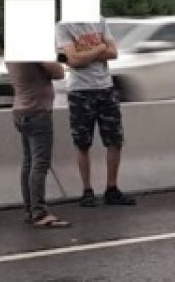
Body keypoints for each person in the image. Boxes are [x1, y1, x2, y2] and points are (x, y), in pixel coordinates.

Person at [58, 17, 137, 207]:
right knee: (83, 142)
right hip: (80, 90)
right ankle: (87, 190)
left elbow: (113, 52)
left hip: (105, 87)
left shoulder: (99, 21)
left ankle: (112, 188)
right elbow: (74, 60)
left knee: (114, 139)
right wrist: (99, 49)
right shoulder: (64, 26)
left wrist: (86, 53)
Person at [7, 58, 71, 228]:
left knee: (28, 162)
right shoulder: (33, 46)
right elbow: (59, 72)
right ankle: (39, 212)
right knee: (40, 163)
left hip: (20, 110)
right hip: (38, 111)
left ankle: (30, 209)